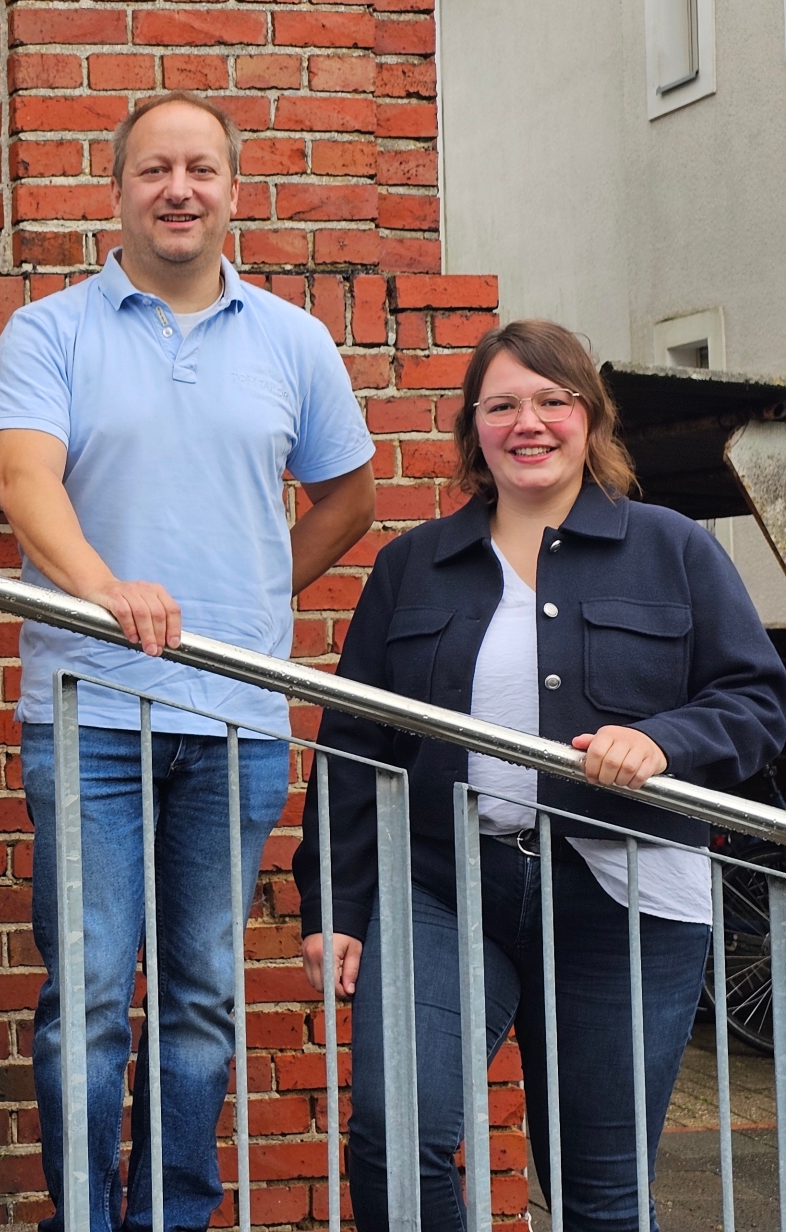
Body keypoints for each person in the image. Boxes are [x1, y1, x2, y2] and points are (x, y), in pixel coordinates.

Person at [0, 91, 377, 1232]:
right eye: (155, 169)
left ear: (232, 189)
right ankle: (86, 1221)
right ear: (118, 191)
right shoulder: (50, 332)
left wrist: (259, 593)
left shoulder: (291, 341)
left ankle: (174, 1216)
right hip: (90, 713)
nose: (179, 189)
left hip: (238, 724)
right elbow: (23, 483)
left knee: (202, 997)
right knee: (92, 997)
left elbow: (349, 493)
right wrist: (107, 593)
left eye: (201, 169)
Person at [296, 319, 786, 1231]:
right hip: (448, 885)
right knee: (396, 1141)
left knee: (598, 1186)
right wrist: (336, 903)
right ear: (474, 430)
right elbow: (356, 740)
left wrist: (665, 741)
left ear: (591, 418)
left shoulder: (673, 549)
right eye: (503, 405)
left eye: (553, 401)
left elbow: (757, 702)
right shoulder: (415, 567)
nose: (530, 423)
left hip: (627, 894)